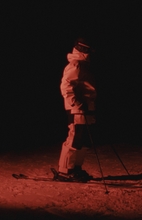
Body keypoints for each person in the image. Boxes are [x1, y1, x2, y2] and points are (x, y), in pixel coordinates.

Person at [57, 37, 96, 182]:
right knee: (74, 139)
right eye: (88, 49)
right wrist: (77, 104)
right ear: (83, 49)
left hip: (87, 108)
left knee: (84, 141)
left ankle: (76, 168)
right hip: (77, 109)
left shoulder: (83, 65)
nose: (91, 52)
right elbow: (66, 87)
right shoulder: (75, 65)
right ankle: (65, 171)